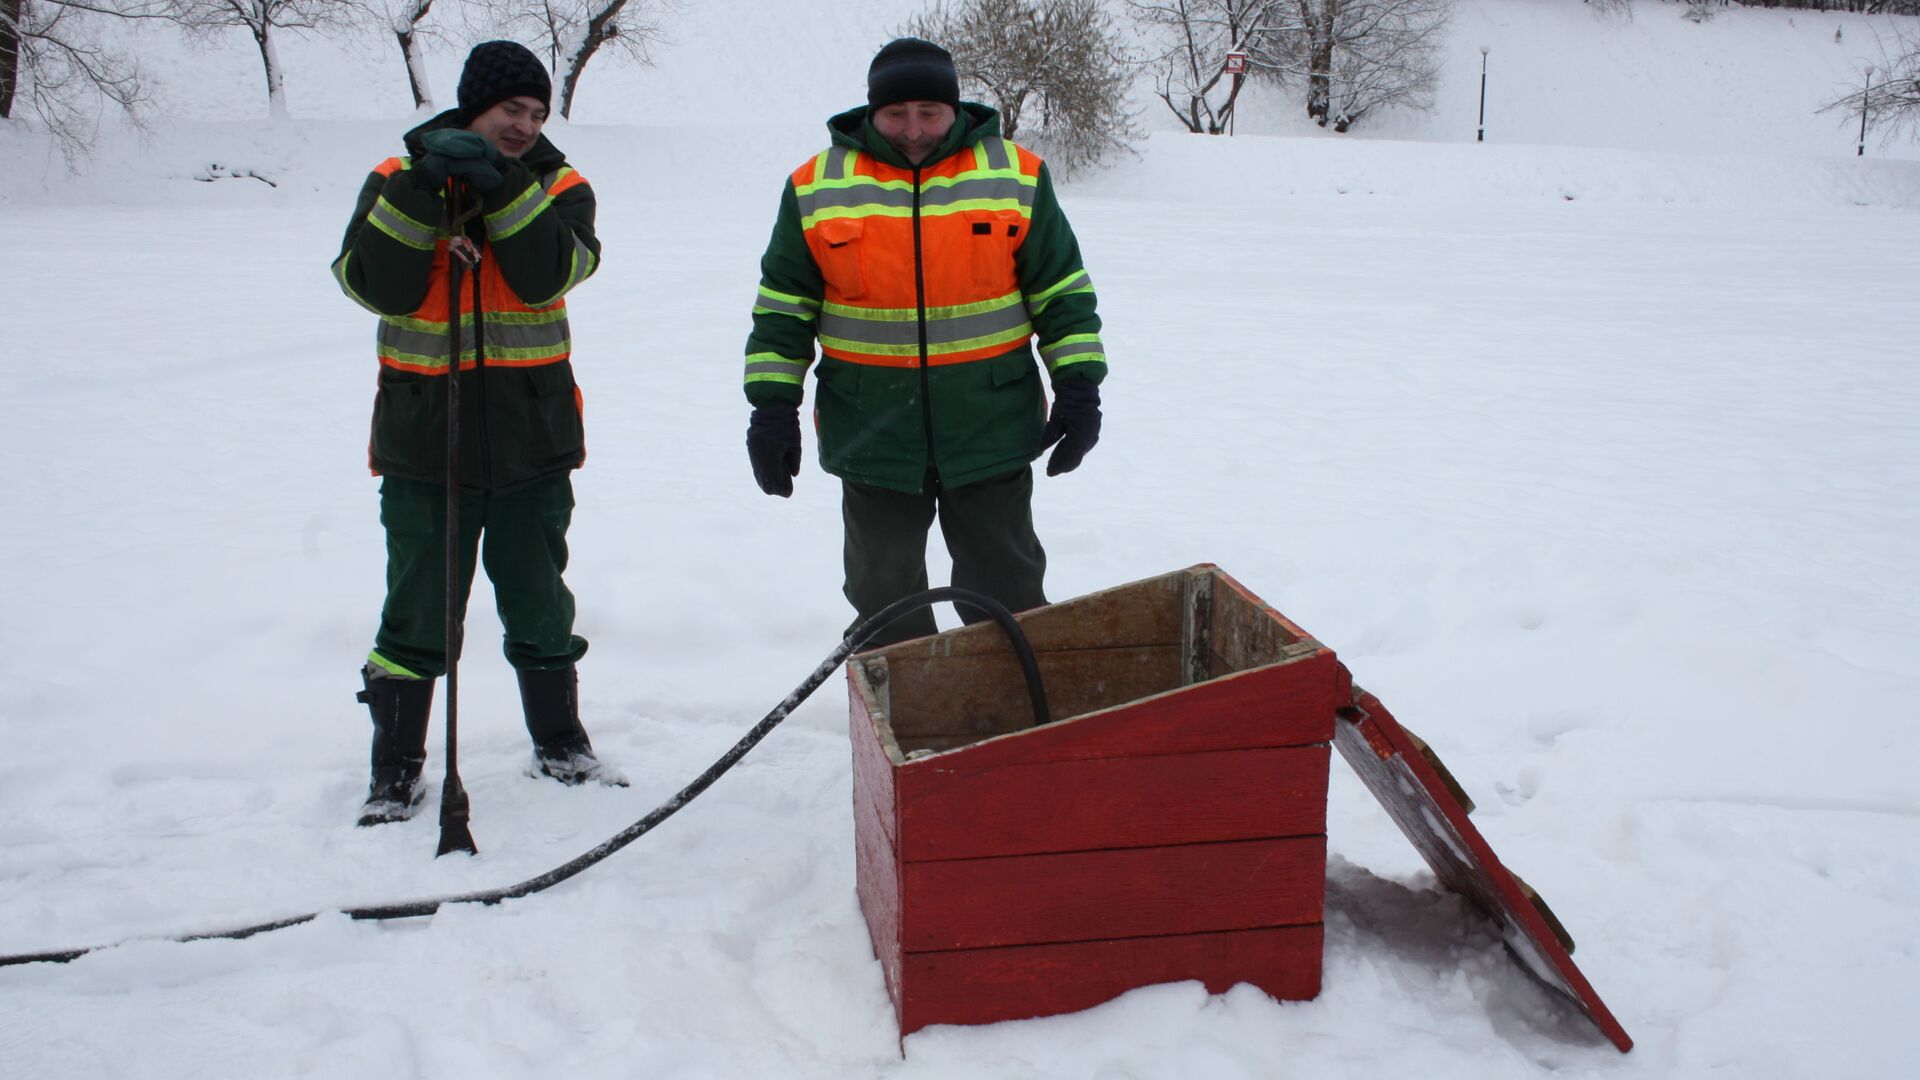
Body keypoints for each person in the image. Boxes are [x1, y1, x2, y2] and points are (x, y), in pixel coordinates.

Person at [330, 40, 621, 827]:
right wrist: (429, 189)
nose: (524, 125)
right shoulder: (396, 181)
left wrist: (505, 189)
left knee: (539, 602)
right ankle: (394, 767)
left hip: (532, 439)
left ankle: (560, 741)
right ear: (471, 108)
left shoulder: (561, 186)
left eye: (535, 113)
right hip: (425, 441)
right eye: (509, 112)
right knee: (416, 610)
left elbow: (547, 274)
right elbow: (371, 283)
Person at [742, 37, 1107, 648]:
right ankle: (908, 724)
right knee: (883, 597)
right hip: (871, 430)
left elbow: (1062, 291)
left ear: (955, 108)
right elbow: (784, 307)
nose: (913, 130)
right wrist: (771, 408)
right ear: (870, 111)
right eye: (896, 114)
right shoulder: (816, 185)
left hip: (990, 426)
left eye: (929, 114)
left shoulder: (1014, 174)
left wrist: (1079, 387)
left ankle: (1019, 719)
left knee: (1007, 587)